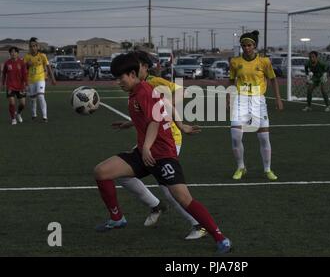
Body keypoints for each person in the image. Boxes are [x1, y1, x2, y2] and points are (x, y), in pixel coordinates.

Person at [94, 52, 231, 254]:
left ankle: (220, 237)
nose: (118, 82)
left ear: (132, 74)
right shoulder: (136, 92)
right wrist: (130, 125)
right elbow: (160, 111)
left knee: (183, 198)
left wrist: (148, 146)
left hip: (162, 155)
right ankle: (117, 219)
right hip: (144, 152)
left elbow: (154, 121)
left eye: (120, 78)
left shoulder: (144, 91)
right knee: (101, 171)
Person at [115, 51, 208, 240]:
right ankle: (155, 206)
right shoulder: (137, 88)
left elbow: (183, 92)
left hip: (168, 140)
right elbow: (147, 112)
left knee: (171, 190)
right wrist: (130, 122)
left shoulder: (154, 82)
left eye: (136, 64)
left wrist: (178, 124)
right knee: (122, 174)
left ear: (144, 68)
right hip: (151, 140)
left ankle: (198, 224)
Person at [227, 30, 283, 181]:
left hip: (258, 101)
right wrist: (228, 97)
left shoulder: (264, 62)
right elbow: (231, 81)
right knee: (235, 136)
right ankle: (240, 167)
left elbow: (273, 79)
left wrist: (278, 98)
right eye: (244, 45)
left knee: (264, 137)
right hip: (240, 100)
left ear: (255, 46)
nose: (246, 48)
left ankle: (267, 169)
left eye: (249, 45)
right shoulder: (235, 62)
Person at [23, 37, 56, 122]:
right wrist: (27, 65)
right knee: (33, 99)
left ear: (37, 46)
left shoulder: (42, 56)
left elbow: (48, 67)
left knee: (41, 96)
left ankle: (45, 117)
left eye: (34, 46)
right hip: (31, 80)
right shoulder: (26, 57)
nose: (33, 48)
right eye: (31, 46)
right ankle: (34, 114)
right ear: (29, 47)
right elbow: (23, 69)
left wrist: (53, 79)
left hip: (40, 79)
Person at [1, 47, 27, 125]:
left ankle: (18, 113)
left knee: (22, 104)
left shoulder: (22, 63)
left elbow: (24, 74)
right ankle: (13, 118)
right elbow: (4, 74)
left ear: (17, 53)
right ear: (10, 54)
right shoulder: (7, 63)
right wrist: (2, 84)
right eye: (11, 52)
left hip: (20, 86)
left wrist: (26, 84)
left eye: (15, 52)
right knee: (12, 102)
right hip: (10, 85)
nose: (13, 53)